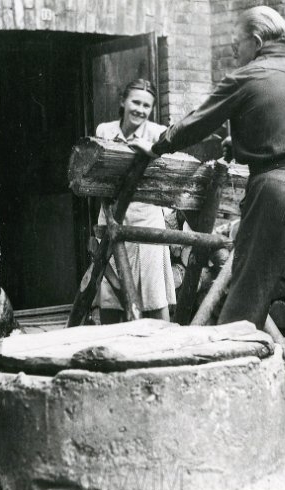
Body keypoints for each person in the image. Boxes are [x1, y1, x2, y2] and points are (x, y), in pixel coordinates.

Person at [133, 6, 285, 431]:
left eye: (237, 43)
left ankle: (224, 405)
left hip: (279, 191)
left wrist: (158, 144)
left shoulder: (245, 77)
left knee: (246, 298)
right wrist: (240, 141)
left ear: (256, 41)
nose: (233, 51)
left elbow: (196, 123)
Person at [94, 78, 176, 324]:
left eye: (146, 105)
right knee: (110, 292)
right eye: (135, 102)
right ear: (123, 101)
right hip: (111, 216)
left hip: (146, 220)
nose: (140, 109)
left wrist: (150, 149)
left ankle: (162, 347)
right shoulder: (104, 131)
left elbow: (168, 177)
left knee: (153, 294)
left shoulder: (158, 134)